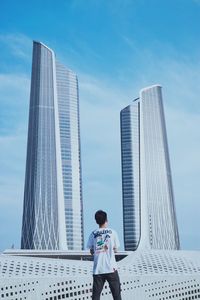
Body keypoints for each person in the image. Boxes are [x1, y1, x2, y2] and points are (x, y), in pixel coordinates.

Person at [87, 210, 122, 300]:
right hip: (111, 268)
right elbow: (116, 250)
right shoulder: (112, 232)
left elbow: (91, 251)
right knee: (117, 296)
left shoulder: (93, 233)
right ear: (106, 220)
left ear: (96, 221)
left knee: (95, 296)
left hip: (98, 269)